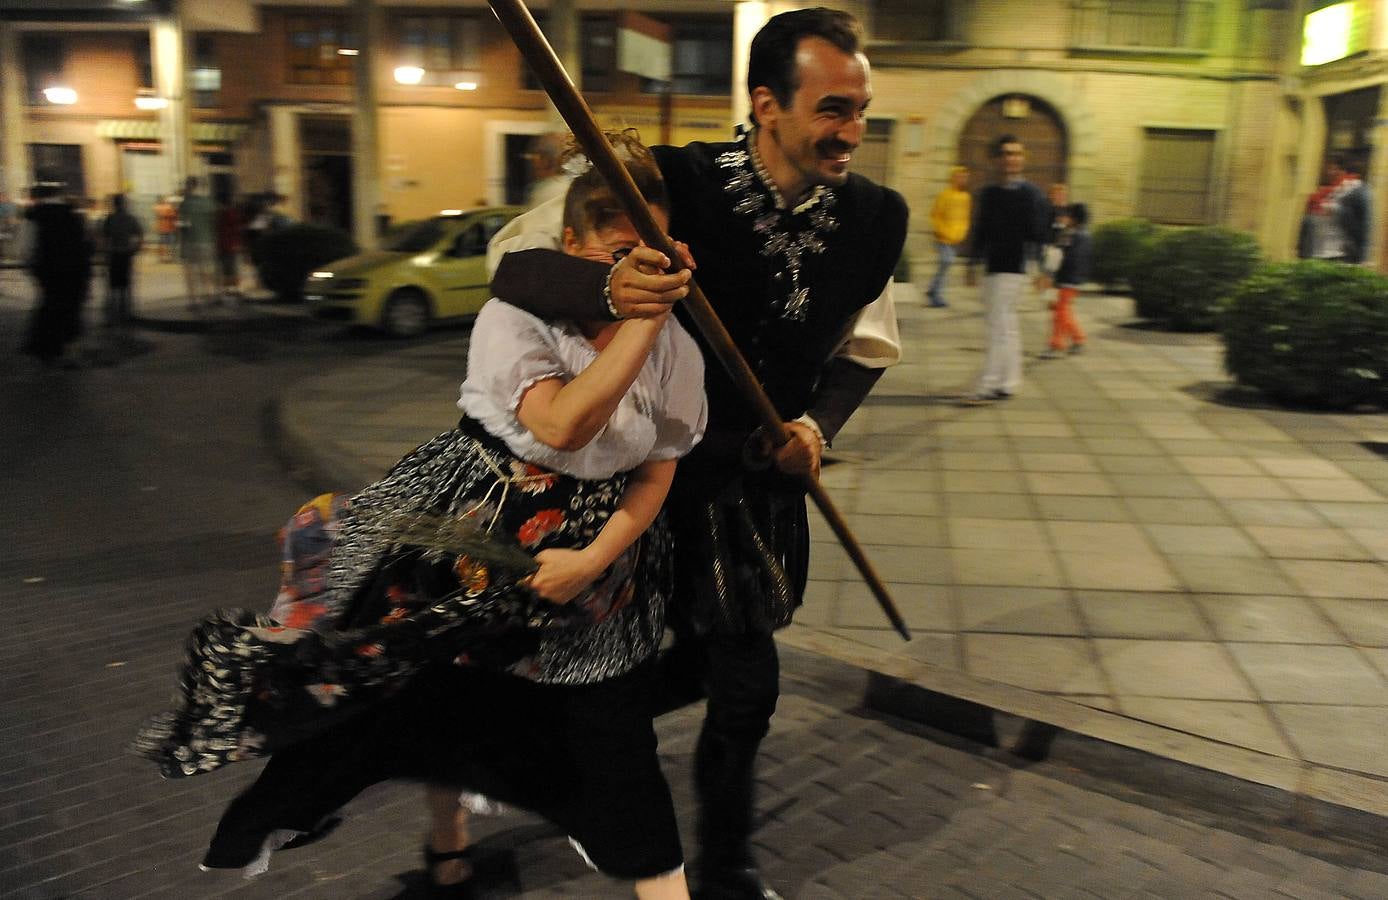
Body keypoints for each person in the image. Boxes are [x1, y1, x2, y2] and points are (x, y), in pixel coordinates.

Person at [136, 133, 706, 900]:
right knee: (441, 699)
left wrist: (596, 558)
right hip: (475, 531)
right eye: (620, 252)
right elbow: (565, 425)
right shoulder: (516, 318)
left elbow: (659, 469)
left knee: (615, 738)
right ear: (572, 246)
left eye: (655, 253)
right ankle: (447, 839)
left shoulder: (677, 350)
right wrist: (643, 318)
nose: (642, 268)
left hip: (602, 559)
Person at [490, 10, 908, 898]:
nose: (852, 132)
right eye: (833, 110)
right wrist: (609, 283)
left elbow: (867, 347)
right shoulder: (668, 181)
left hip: (751, 491)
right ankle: (555, 756)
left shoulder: (876, 219)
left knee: (745, 685)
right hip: (642, 478)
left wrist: (816, 429)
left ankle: (726, 864)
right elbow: (512, 264)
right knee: (627, 667)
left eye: (861, 111)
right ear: (767, 104)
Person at [961, 134, 1050, 405]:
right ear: (996, 159)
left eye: (1017, 153)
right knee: (1007, 327)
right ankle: (1009, 382)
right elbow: (981, 230)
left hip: (1013, 269)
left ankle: (988, 386)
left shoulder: (1031, 194)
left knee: (998, 328)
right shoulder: (989, 193)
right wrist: (972, 263)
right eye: (1007, 153)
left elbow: (1039, 234)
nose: (1012, 159)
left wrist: (1043, 270)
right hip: (993, 267)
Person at [20, 182, 93, 365]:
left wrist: (30, 266)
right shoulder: (73, 214)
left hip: (48, 268)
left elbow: (27, 246)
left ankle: (48, 347)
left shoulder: (35, 215)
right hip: (74, 268)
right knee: (70, 306)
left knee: (50, 303)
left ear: (38, 197)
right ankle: (67, 345)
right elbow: (85, 242)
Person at [1299, 153, 1371, 264]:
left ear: (1343, 170)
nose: (1329, 172)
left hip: (1341, 255)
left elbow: (1363, 226)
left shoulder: (1359, 191)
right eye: (1328, 168)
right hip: (1317, 254)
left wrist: (1335, 210)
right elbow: (1308, 223)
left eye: (1334, 169)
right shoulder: (1322, 193)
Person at [1038, 202, 1090, 359]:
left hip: (1065, 279)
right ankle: (1078, 339)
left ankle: (1056, 346)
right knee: (1062, 311)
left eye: (1067, 215)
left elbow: (1057, 257)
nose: (1063, 218)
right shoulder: (1085, 235)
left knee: (1060, 313)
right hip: (1074, 280)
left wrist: (1049, 276)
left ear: (1073, 218)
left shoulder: (1069, 235)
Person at [925, 165, 971, 307]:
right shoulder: (944, 195)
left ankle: (933, 290)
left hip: (955, 238)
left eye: (964, 177)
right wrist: (942, 231)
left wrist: (961, 232)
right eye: (959, 177)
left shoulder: (965, 197)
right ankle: (936, 294)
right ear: (953, 178)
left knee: (945, 265)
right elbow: (936, 215)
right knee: (947, 261)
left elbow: (965, 217)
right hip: (943, 237)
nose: (962, 180)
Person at [99, 193, 144, 326]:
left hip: (114, 254)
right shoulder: (130, 218)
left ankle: (114, 315)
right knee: (125, 284)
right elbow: (139, 233)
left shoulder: (110, 219)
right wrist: (135, 248)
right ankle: (126, 312)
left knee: (113, 286)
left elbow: (104, 238)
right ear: (124, 204)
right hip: (126, 254)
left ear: (114, 204)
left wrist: (105, 253)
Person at [178, 176, 216, 309]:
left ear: (188, 186)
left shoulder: (185, 204)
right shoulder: (208, 202)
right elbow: (213, 222)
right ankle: (209, 296)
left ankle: (193, 301)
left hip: (190, 242)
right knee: (206, 270)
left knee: (190, 272)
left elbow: (183, 225)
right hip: (207, 241)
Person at [525, 131, 572, 208]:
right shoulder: (569, 185)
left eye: (538, 155)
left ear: (546, 160)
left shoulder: (549, 191)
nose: (533, 164)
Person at [214, 191, 243, 302]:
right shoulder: (232, 213)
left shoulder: (221, 214)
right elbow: (236, 230)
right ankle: (233, 289)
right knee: (231, 268)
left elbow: (219, 230)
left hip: (224, 245)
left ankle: (229, 290)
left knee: (227, 269)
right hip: (230, 245)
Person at [154, 195, 177, 262]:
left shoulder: (158, 207)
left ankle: (163, 257)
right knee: (168, 243)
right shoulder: (168, 207)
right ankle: (167, 257)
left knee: (163, 243)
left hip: (164, 228)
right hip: (168, 228)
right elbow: (173, 214)